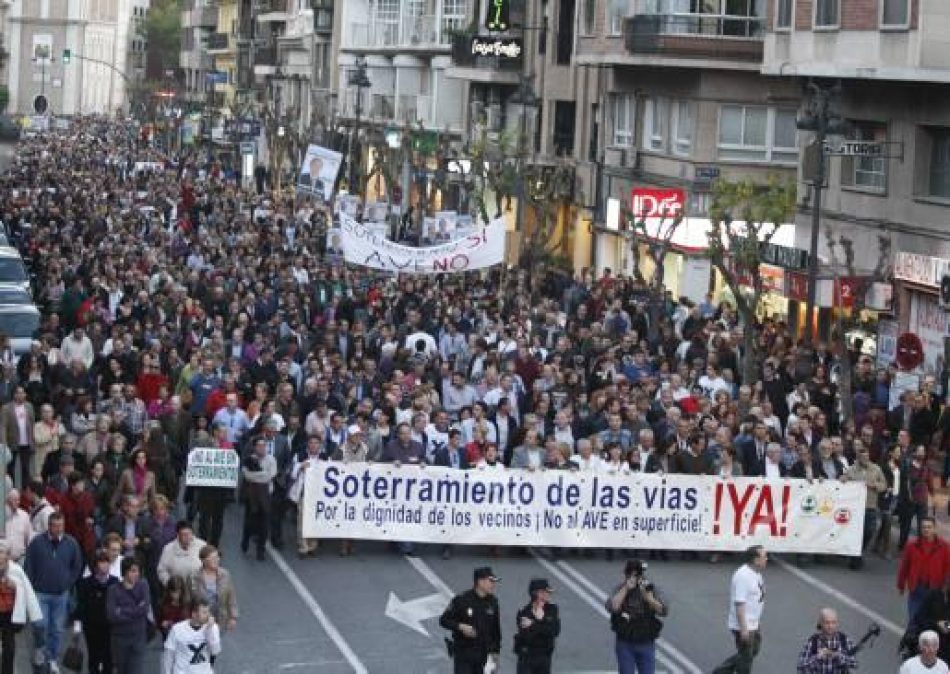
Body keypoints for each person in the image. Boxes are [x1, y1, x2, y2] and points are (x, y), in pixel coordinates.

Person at [23, 511, 84, 672]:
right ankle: (40, 648)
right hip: (40, 593)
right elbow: (28, 566)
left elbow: (77, 566)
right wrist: (32, 585)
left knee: (57, 629)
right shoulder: (36, 543)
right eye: (55, 526)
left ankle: (52, 658)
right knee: (40, 625)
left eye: (61, 526)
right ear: (49, 526)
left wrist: (68, 582)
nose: (58, 529)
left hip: (61, 593)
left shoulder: (71, 543)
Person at [713, 546, 768, 674]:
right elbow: (740, 604)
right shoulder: (743, 576)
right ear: (755, 560)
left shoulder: (756, 573)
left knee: (753, 650)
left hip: (753, 622)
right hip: (744, 624)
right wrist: (744, 628)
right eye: (764, 556)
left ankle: (721, 671)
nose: (766, 559)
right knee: (746, 657)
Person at [607, 559, 668, 674]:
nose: (636, 578)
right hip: (625, 642)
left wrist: (649, 598)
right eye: (631, 575)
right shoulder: (620, 588)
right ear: (626, 574)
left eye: (639, 575)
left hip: (646, 641)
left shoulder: (650, 588)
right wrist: (626, 588)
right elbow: (612, 607)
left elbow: (664, 610)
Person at [440, 566, 502, 674]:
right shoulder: (461, 600)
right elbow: (444, 620)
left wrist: (495, 654)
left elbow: (495, 630)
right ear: (480, 582)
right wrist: (460, 626)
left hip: (484, 654)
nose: (493, 584)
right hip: (465, 654)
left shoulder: (493, 602)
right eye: (490, 581)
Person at [74, 548, 120, 674]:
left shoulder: (115, 582)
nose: (105, 565)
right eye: (101, 562)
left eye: (106, 562)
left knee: (108, 659)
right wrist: (77, 626)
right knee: (93, 656)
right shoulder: (85, 583)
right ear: (95, 565)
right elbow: (81, 605)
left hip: (110, 626)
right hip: (91, 626)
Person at [0, 540, 42, 674]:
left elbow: (27, 591)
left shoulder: (16, 570)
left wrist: (15, 586)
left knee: (9, 647)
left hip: (9, 614)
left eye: (2, 553)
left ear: (7, 555)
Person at [898, 517, 950, 621]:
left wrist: (946, 588)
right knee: (914, 619)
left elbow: (948, 569)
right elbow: (904, 566)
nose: (926, 530)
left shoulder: (944, 547)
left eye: (929, 527)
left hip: (935, 590)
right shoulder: (911, 546)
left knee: (932, 620)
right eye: (924, 527)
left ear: (935, 529)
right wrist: (901, 585)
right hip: (917, 588)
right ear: (920, 529)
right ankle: (913, 635)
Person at [106, 557, 151, 674]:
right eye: (133, 571)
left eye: (138, 571)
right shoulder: (113, 590)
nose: (137, 574)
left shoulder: (143, 585)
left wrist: (122, 611)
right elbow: (112, 615)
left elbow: (144, 609)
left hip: (138, 637)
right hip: (119, 639)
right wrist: (136, 610)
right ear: (124, 572)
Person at [162, 598, 222, 674]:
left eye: (208, 612)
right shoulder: (177, 629)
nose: (208, 616)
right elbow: (168, 656)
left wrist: (210, 631)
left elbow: (215, 651)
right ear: (194, 614)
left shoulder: (213, 627)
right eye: (204, 612)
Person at [241, 436, 277, 561]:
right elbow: (247, 476)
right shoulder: (248, 459)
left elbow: (270, 476)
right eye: (259, 446)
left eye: (264, 445)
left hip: (266, 495)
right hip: (252, 496)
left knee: (264, 524)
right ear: (254, 447)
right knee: (250, 521)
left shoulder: (271, 459)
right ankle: (245, 539)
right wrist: (261, 475)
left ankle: (260, 550)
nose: (262, 448)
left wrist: (257, 476)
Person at [514, 578, 560, 674]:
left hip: (545, 656)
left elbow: (554, 631)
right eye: (545, 592)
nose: (548, 594)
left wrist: (535, 623)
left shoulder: (552, 609)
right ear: (536, 593)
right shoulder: (524, 612)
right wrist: (542, 625)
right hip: (527, 657)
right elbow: (528, 636)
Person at [188, 545, 238, 631]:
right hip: (201, 619)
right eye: (213, 558)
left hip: (220, 618)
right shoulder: (194, 576)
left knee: (216, 641)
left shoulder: (225, 574)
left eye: (217, 557)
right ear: (203, 560)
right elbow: (189, 599)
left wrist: (233, 617)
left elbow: (231, 596)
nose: (217, 560)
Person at [795, 607, 857, 673]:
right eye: (827, 623)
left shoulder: (844, 639)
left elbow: (853, 663)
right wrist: (817, 657)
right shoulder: (813, 641)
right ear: (820, 623)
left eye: (833, 622)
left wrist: (836, 655)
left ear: (837, 623)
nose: (830, 626)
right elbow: (800, 665)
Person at [157, 521, 207, 587]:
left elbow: (209, 566)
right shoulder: (168, 548)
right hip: (178, 589)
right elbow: (161, 570)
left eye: (189, 534)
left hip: (198, 588)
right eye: (184, 534)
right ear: (178, 535)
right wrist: (171, 584)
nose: (187, 537)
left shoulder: (202, 545)